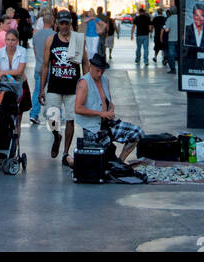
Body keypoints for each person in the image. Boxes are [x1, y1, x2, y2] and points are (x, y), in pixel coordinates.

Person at [75, 52, 143, 165]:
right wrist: (100, 114)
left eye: (102, 71)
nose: (100, 73)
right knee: (105, 156)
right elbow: (78, 108)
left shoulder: (105, 80)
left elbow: (108, 101)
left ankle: (120, 163)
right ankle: (74, 161)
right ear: (91, 67)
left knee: (137, 132)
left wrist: (111, 108)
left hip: (108, 124)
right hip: (92, 128)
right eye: (97, 70)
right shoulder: (84, 83)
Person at [40, 12, 88, 166]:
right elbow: (46, 65)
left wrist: (86, 85)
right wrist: (41, 88)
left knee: (70, 120)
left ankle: (66, 152)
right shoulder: (51, 40)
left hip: (73, 87)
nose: (65, 26)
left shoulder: (78, 40)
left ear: (71, 24)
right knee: (51, 117)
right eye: (62, 23)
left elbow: (85, 62)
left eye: (67, 23)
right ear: (57, 24)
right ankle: (56, 136)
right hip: (54, 86)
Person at [0, 28, 30, 147]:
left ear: (17, 41)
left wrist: (2, 73)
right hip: (4, 87)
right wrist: (6, 73)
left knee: (17, 118)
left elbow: (20, 71)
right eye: (8, 40)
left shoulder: (22, 51)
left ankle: (15, 148)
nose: (10, 42)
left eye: (13, 40)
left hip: (20, 86)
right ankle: (3, 146)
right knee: (3, 116)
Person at [30, 9, 54, 124]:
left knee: (37, 91)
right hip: (52, 68)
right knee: (52, 93)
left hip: (39, 66)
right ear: (52, 21)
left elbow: (35, 52)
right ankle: (52, 115)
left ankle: (34, 114)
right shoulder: (54, 35)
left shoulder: (36, 35)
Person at [182, 1, 204, 72]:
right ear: (193, 15)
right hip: (188, 67)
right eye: (196, 15)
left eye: (201, 15)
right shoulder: (186, 30)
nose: (199, 18)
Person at [164, 7, 179, 73]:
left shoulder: (169, 19)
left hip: (171, 39)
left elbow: (166, 30)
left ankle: (173, 69)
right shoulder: (180, 17)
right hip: (179, 39)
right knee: (180, 54)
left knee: (171, 55)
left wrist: (165, 28)